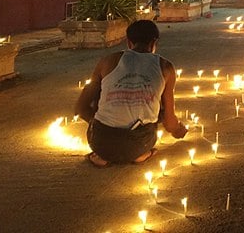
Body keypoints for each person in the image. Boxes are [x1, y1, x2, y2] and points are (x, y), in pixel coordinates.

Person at [75, 20, 188, 167]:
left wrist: (100, 122)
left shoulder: (108, 61)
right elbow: (169, 121)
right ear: (154, 42)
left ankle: (103, 157)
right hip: (140, 143)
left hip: (101, 142)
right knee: (159, 110)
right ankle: (141, 155)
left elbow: (81, 108)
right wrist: (178, 130)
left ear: (129, 42)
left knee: (100, 90)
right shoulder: (165, 67)